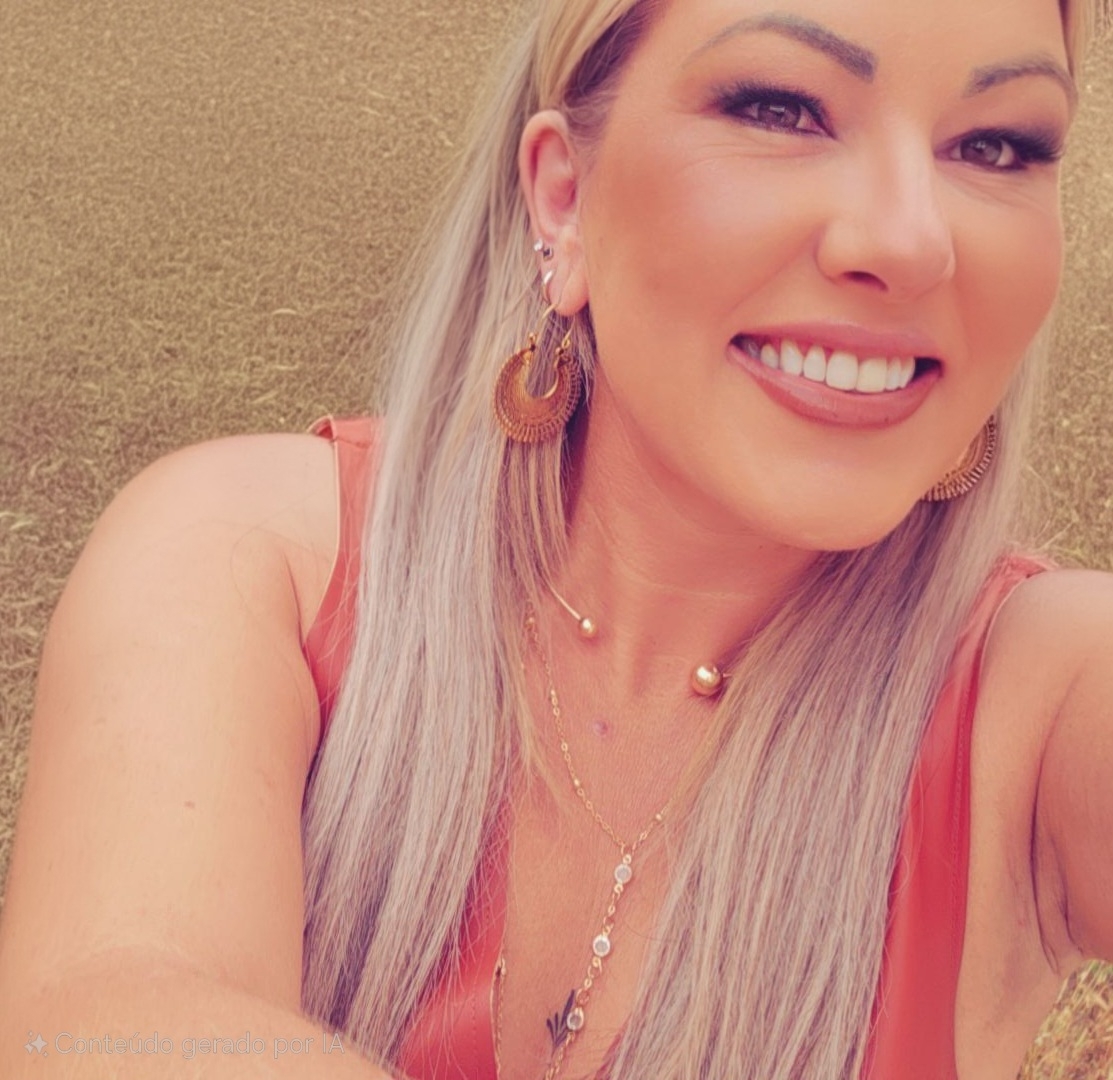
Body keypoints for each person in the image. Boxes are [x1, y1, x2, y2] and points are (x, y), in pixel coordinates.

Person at [0, 0, 1110, 1077]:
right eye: (780, 109)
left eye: (997, 145)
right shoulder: (255, 560)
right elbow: (102, 1014)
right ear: (564, 198)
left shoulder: (1046, 697)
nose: (911, 241)